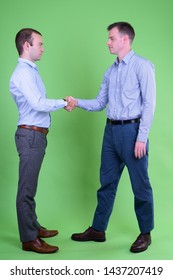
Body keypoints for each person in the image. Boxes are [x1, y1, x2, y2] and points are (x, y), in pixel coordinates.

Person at [66, 22, 156, 253]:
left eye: (111, 38)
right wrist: (77, 103)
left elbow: (149, 104)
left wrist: (141, 138)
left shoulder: (142, 66)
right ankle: (98, 229)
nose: (107, 42)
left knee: (140, 186)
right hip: (111, 132)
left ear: (125, 39)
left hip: (133, 132)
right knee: (106, 183)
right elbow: (99, 103)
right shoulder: (110, 71)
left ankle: (145, 233)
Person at [9, 28, 75, 253]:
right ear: (26, 45)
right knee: (26, 190)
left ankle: (33, 227)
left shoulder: (30, 71)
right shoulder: (23, 73)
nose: (43, 48)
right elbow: (38, 103)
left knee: (31, 186)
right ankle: (29, 239)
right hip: (30, 136)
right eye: (40, 44)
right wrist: (62, 102)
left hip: (36, 135)